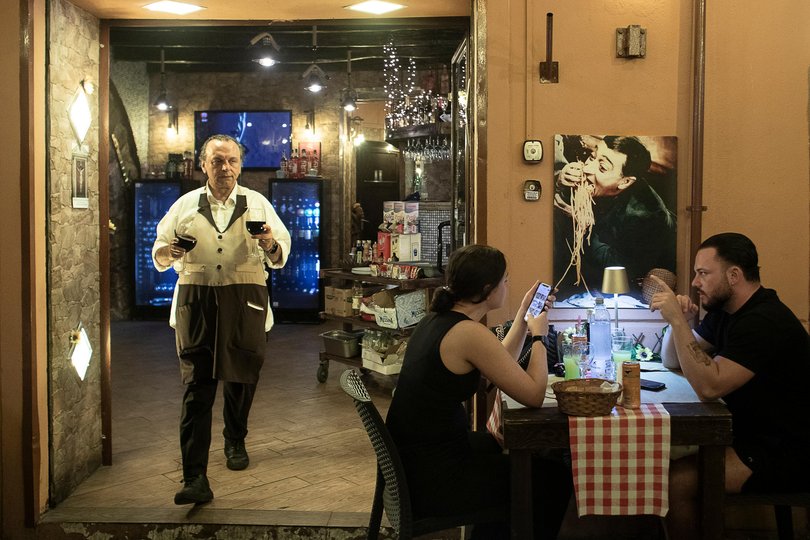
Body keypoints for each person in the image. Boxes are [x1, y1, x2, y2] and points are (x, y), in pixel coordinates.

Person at [385, 244, 572, 539]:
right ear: (488, 290)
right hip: (435, 479)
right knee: (554, 478)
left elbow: (501, 362)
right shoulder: (467, 333)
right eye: (505, 280)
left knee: (502, 449)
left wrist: (524, 315)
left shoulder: (438, 321)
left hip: (418, 463)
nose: (508, 285)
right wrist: (539, 334)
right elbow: (534, 395)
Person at [152, 134, 291, 505]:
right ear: (204, 166)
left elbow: (281, 252)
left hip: (245, 299)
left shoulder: (258, 204)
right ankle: (194, 476)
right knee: (197, 387)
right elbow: (159, 251)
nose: (225, 168)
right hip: (196, 300)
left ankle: (235, 438)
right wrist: (170, 250)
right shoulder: (184, 206)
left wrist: (269, 245)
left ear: (240, 166)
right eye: (217, 161)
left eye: (231, 161)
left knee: (241, 378)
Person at [649, 232, 810, 539]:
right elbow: (673, 361)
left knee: (676, 482)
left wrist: (680, 324)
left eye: (703, 273)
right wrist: (679, 322)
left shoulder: (763, 320)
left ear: (734, 275)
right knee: (661, 464)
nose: (696, 282)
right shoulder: (726, 312)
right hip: (752, 435)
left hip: (787, 449)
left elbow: (710, 387)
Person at [553, 135, 676, 302]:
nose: (587, 168)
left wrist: (580, 225)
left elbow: (616, 266)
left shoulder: (647, 216)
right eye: (591, 158)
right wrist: (560, 178)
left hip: (650, 264)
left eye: (602, 168)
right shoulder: (591, 178)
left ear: (625, 182)